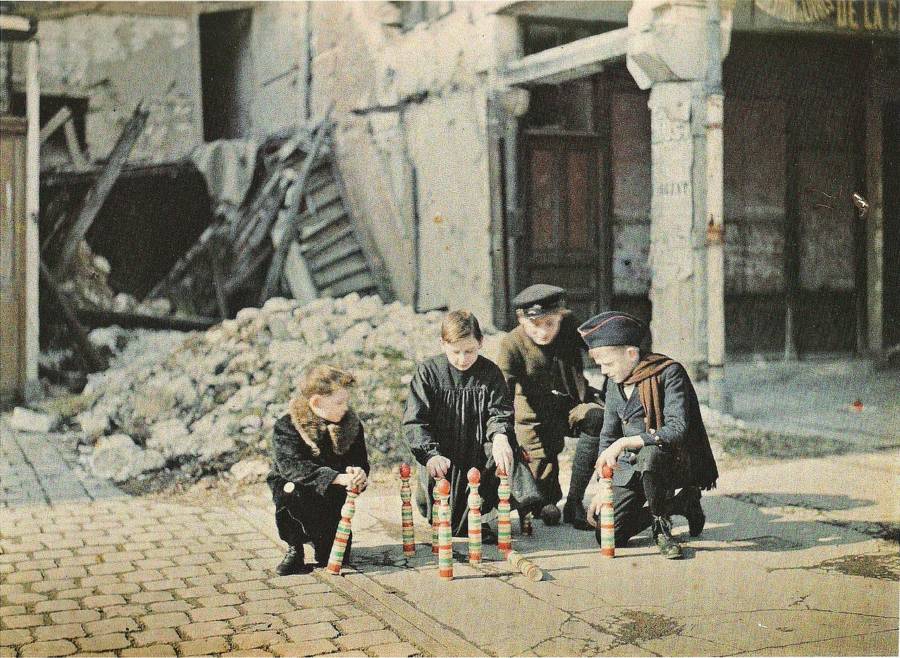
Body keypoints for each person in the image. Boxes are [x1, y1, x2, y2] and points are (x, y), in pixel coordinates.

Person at [580, 312, 718, 559]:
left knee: (650, 453)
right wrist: (603, 485)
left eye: (608, 363)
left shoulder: (668, 372)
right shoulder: (615, 382)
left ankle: (661, 526)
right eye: (599, 364)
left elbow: (677, 429)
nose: (603, 371)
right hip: (630, 468)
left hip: (669, 463)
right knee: (608, 534)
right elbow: (608, 435)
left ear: (632, 354)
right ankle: (682, 504)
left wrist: (626, 441)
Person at [496, 284, 605, 529]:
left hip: (570, 407)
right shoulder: (511, 344)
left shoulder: (570, 326)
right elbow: (502, 394)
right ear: (521, 320)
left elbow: (604, 347)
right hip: (532, 419)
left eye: (550, 324)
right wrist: (504, 433)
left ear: (561, 316)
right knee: (544, 503)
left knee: (597, 418)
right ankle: (548, 498)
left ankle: (575, 502)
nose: (543, 332)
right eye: (535, 325)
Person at [403, 310, 516, 544]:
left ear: (481, 343)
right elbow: (416, 420)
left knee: (504, 448)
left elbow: (500, 411)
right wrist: (431, 455)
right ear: (442, 344)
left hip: (477, 451)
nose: (463, 359)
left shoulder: (490, 373)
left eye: (470, 351)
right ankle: (442, 505)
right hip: (444, 454)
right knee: (448, 521)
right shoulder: (428, 372)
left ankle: (491, 510)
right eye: (456, 352)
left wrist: (500, 437)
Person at [267, 365, 370, 575]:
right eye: (339, 402)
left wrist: (359, 474)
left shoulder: (351, 425)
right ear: (316, 402)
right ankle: (295, 548)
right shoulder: (287, 426)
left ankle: (320, 538)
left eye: (346, 401)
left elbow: (361, 460)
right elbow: (292, 467)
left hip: (331, 497)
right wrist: (337, 477)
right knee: (289, 490)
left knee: (331, 556)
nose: (345, 407)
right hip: (297, 489)